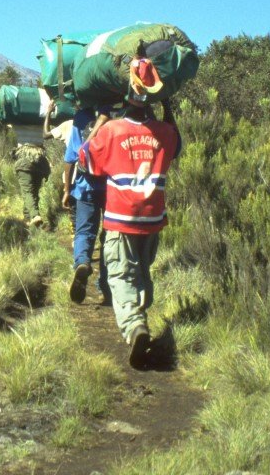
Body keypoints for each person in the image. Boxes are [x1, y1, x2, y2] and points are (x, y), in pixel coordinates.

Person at [78, 57, 182, 367]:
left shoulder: (112, 131)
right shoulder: (164, 133)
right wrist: (169, 110)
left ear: (127, 92)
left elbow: (86, 161)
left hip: (121, 218)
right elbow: (176, 145)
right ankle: (140, 313)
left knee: (121, 277)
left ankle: (135, 326)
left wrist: (98, 125)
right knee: (142, 273)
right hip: (152, 219)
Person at [59, 103, 112, 305]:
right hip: (112, 188)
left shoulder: (80, 120)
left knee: (84, 232)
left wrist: (66, 190)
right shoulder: (118, 116)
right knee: (110, 236)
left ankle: (82, 262)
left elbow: (70, 159)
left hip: (84, 186)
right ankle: (105, 286)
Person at [12, 137, 51, 228]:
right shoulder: (43, 124)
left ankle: (34, 215)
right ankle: (28, 219)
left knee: (27, 192)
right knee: (34, 193)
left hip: (24, 160)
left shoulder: (17, 123)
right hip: (40, 158)